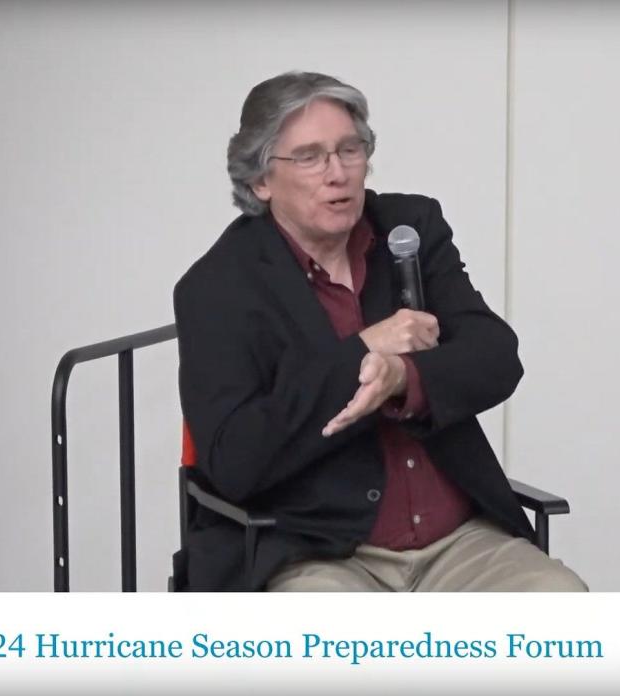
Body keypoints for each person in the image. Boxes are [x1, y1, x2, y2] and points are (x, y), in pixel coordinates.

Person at [175, 70, 585, 592]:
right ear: (259, 180)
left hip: (459, 542)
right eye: (309, 156)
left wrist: (403, 379)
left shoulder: (408, 229)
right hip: (316, 551)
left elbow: (495, 356)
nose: (338, 172)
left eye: (351, 149)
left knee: (563, 605)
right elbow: (236, 460)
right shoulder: (217, 287)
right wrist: (364, 351)